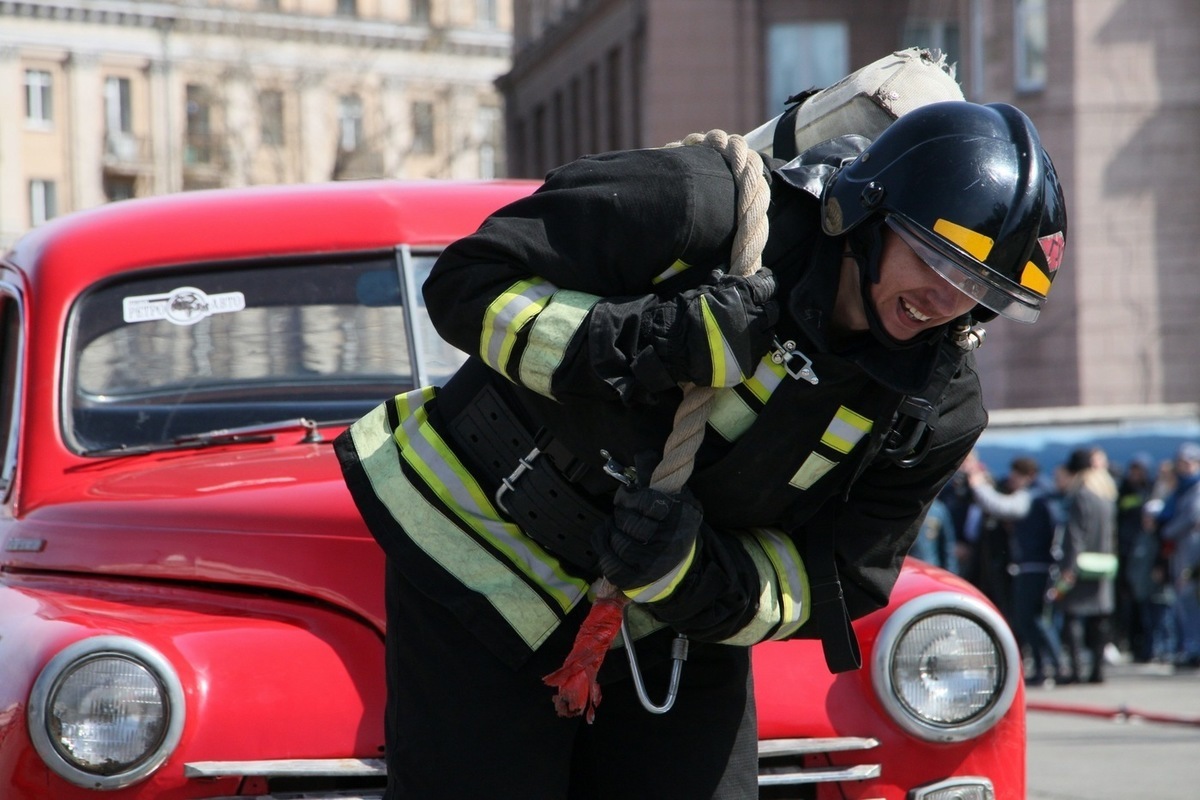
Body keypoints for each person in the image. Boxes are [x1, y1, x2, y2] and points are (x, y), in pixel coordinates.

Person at [334, 99, 1067, 798]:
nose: (948, 300)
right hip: (474, 549)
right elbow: (466, 286)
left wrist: (685, 574)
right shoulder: (696, 206)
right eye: (937, 260)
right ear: (868, 212)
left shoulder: (937, 410)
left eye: (981, 288)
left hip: (674, 625)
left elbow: (832, 579)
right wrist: (652, 338)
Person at [1056, 447, 1118, 684]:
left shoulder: (1080, 495)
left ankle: (1076, 669)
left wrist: (1068, 568)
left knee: (1072, 615)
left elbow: (1074, 535)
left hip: (1081, 564)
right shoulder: (1106, 494)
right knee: (1100, 618)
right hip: (1103, 563)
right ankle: (1098, 670)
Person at [1156, 442, 1200, 667]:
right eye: (1181, 462)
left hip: (1193, 556)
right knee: (1183, 603)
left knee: (1190, 601)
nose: (1184, 467)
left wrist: (1167, 530)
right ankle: (1189, 648)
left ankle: (1194, 649)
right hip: (1181, 553)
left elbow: (1192, 517)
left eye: (1189, 462)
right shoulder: (1179, 490)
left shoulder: (1196, 488)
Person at [909, 492, 960, 573]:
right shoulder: (908, 509)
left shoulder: (939, 510)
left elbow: (948, 547)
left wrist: (950, 574)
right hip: (909, 567)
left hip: (930, 568)